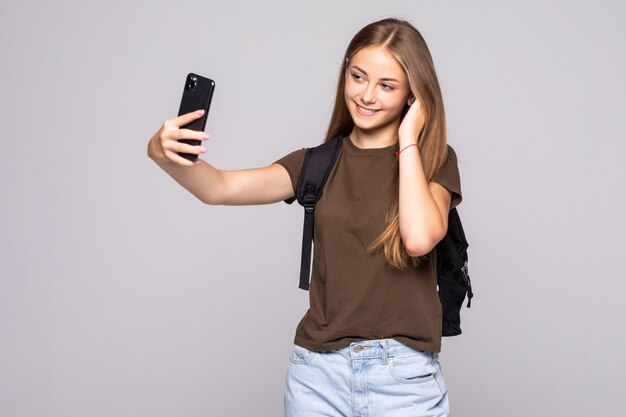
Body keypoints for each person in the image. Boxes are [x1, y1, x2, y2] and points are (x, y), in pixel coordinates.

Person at [147, 17, 462, 417]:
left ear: (413, 96)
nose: (367, 95)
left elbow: (418, 238)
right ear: (345, 71)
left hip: (402, 380)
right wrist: (161, 152)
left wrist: (409, 139)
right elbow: (219, 188)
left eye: (387, 85)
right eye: (358, 76)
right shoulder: (317, 165)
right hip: (317, 376)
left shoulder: (434, 162)